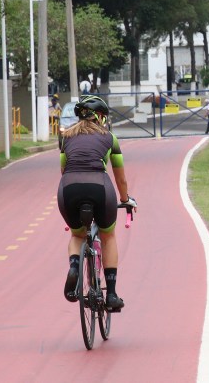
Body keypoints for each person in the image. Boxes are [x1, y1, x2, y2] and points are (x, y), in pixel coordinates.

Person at [57, 94, 136, 311]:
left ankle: (74, 267)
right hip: (99, 187)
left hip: (69, 188)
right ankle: (111, 294)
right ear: (100, 117)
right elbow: (120, 178)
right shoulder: (109, 138)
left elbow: (64, 170)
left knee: (76, 234)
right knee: (108, 235)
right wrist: (125, 199)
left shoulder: (66, 138)